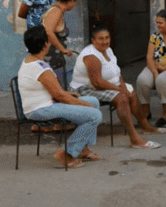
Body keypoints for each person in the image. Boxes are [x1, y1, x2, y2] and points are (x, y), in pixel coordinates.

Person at [18, 25, 103, 169]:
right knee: (95, 115)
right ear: (46, 44)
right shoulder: (41, 68)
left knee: (93, 101)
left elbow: (53, 91)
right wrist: (81, 104)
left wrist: (70, 96)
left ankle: (82, 148)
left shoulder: (29, 61)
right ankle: (66, 153)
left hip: (43, 104)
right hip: (41, 109)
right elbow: (60, 95)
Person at [70, 24, 162, 148]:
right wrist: (119, 90)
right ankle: (135, 139)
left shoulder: (108, 50)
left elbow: (117, 73)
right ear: (93, 40)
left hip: (103, 85)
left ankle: (145, 126)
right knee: (121, 98)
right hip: (84, 89)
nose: (105, 41)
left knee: (130, 91)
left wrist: (123, 87)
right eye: (100, 38)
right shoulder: (91, 56)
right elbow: (97, 82)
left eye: (107, 38)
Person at [41, 0, 79, 86]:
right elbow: (48, 31)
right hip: (51, 59)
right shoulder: (56, 12)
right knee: (57, 89)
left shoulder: (56, 10)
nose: (75, 5)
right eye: (75, 2)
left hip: (54, 59)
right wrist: (62, 49)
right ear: (71, 0)